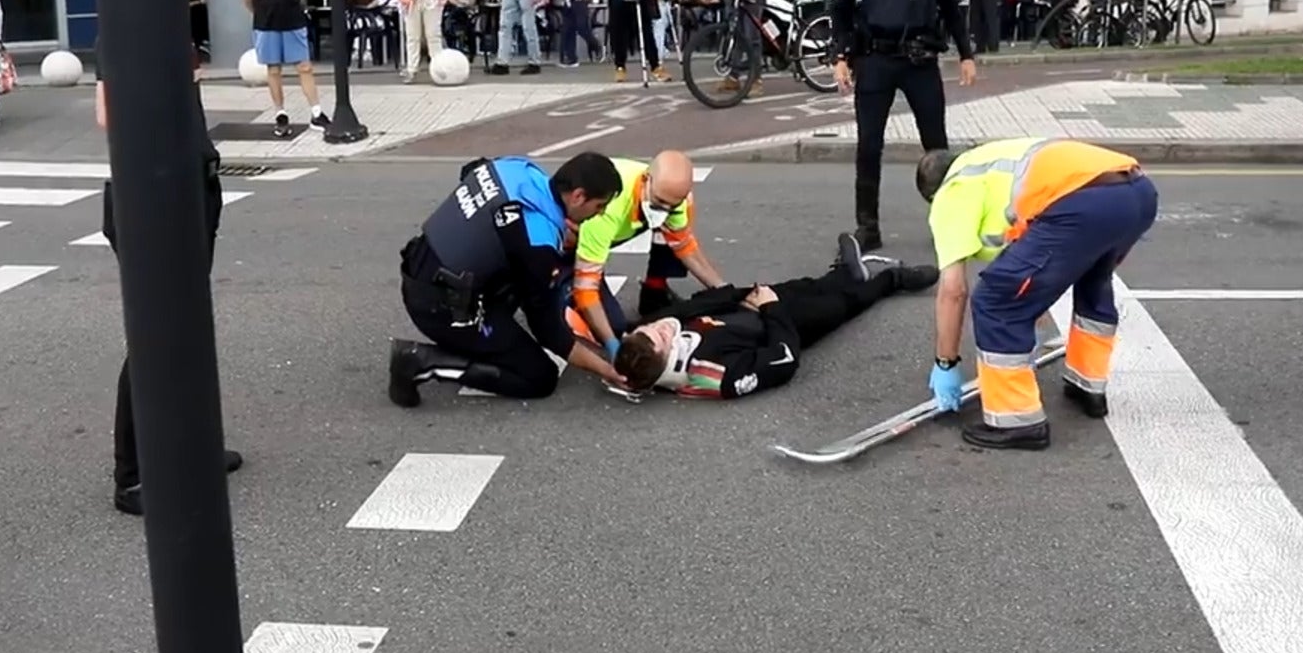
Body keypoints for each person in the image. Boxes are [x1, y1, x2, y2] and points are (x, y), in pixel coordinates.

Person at [95, 0, 243, 516]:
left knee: (188, 331)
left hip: (187, 196)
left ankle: (190, 449)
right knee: (157, 338)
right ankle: (132, 475)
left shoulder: (168, 19)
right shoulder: (135, 21)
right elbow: (110, 114)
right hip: (154, 206)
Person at [917, 138, 1159, 451]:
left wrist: (946, 363)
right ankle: (1088, 386)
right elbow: (1032, 245)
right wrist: (1033, 298)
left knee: (995, 301)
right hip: (1137, 192)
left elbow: (953, 290)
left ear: (933, 195)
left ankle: (1016, 421)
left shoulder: (953, 190)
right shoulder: (993, 163)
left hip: (1084, 204)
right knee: (1093, 280)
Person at [388, 152, 627, 403]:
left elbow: (471, 171)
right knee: (539, 376)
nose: (600, 214)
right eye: (599, 206)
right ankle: (421, 361)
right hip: (437, 307)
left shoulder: (517, 167)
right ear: (578, 196)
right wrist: (606, 368)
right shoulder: (538, 246)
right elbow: (549, 333)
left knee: (522, 273)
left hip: (421, 263)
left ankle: (487, 335)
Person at [830, 0, 977, 251]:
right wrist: (840, 55)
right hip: (875, 61)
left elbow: (950, 7)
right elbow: (842, 10)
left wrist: (966, 54)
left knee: (936, 147)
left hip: (920, 62)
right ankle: (868, 227)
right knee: (868, 147)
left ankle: (948, 222)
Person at [604, 233, 938, 398]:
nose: (660, 328)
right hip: (784, 325)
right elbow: (783, 360)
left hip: (749, 305)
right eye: (661, 337)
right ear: (668, 358)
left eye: (651, 329)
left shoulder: (645, 346)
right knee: (844, 303)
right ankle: (892, 279)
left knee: (809, 285)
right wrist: (770, 308)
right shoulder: (714, 374)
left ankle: (844, 270)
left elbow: (684, 311)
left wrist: (741, 295)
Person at [571, 150, 729, 354]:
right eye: (659, 202)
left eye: (671, 206)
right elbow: (585, 286)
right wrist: (610, 342)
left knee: (676, 223)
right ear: (646, 180)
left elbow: (684, 247)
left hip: (624, 221)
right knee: (613, 327)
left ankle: (654, 292)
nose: (663, 209)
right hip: (575, 234)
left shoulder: (675, 199)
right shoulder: (606, 210)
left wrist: (724, 290)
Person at [243, 0, 329, 138]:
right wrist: (259, 13)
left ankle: (316, 112)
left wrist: (298, 8)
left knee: (305, 67)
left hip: (293, 20)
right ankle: (280, 113)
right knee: (273, 70)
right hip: (267, 23)